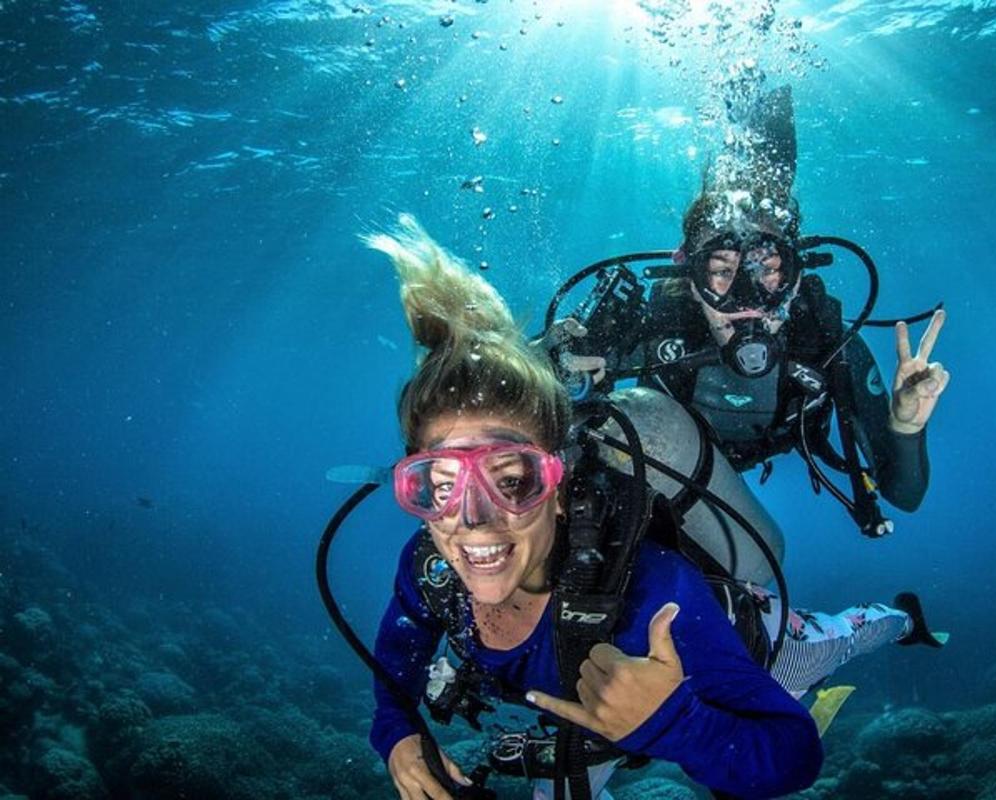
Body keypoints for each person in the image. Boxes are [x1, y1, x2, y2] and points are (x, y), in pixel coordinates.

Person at [361, 215, 942, 800]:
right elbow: (397, 663)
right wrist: (396, 732)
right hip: (593, 714)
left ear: (559, 483)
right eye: (436, 485)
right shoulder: (431, 570)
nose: (472, 518)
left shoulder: (653, 593)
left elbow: (793, 757)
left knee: (844, 636)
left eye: (513, 481)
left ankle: (899, 619)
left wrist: (672, 723)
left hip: (746, 642)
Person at [547, 86, 950, 537]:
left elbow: (904, 495)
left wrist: (905, 425)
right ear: (690, 279)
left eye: (768, 269)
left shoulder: (828, 345)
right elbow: (544, 392)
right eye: (721, 271)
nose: (746, 299)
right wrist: (553, 368)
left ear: (796, 275)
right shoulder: (655, 329)